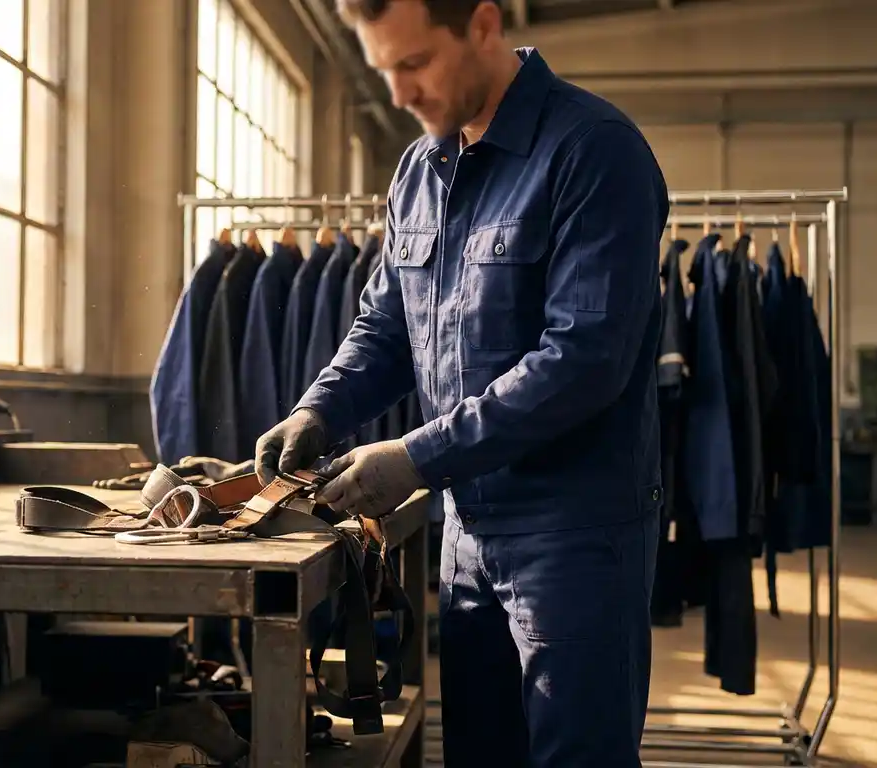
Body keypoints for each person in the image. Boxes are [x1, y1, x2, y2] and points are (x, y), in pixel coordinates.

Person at [255, 0, 669, 765]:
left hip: (576, 534)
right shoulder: (419, 170)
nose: (399, 94)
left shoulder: (594, 151)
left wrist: (412, 457)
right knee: (480, 754)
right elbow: (387, 325)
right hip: (467, 535)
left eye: (414, 64)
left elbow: (584, 359)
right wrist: (320, 408)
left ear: (483, 24)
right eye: (384, 71)